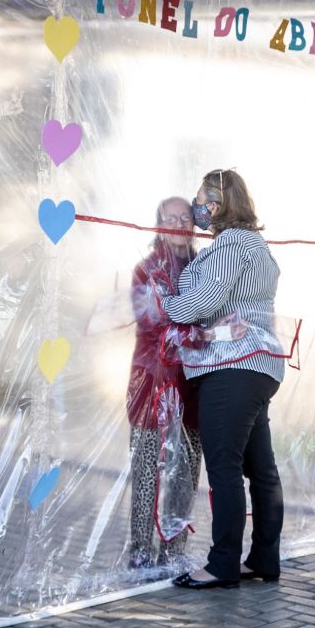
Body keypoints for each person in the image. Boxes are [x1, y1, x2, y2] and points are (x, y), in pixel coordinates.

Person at [161, 169, 285, 590]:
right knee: (260, 469)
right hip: (259, 366)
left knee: (225, 469)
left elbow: (199, 303)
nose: (196, 209)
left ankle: (222, 564)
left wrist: (166, 300)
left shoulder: (231, 246)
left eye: (200, 200)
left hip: (232, 365)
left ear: (216, 205)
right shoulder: (257, 246)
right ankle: (263, 559)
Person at [126, 197, 204, 570]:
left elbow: (210, 319)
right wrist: (197, 327)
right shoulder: (145, 270)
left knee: (185, 474)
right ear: (158, 223)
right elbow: (153, 322)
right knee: (145, 473)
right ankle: (139, 551)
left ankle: (173, 552)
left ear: (192, 224)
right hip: (151, 386)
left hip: (192, 389)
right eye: (169, 217)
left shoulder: (205, 270)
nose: (176, 222)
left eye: (183, 216)